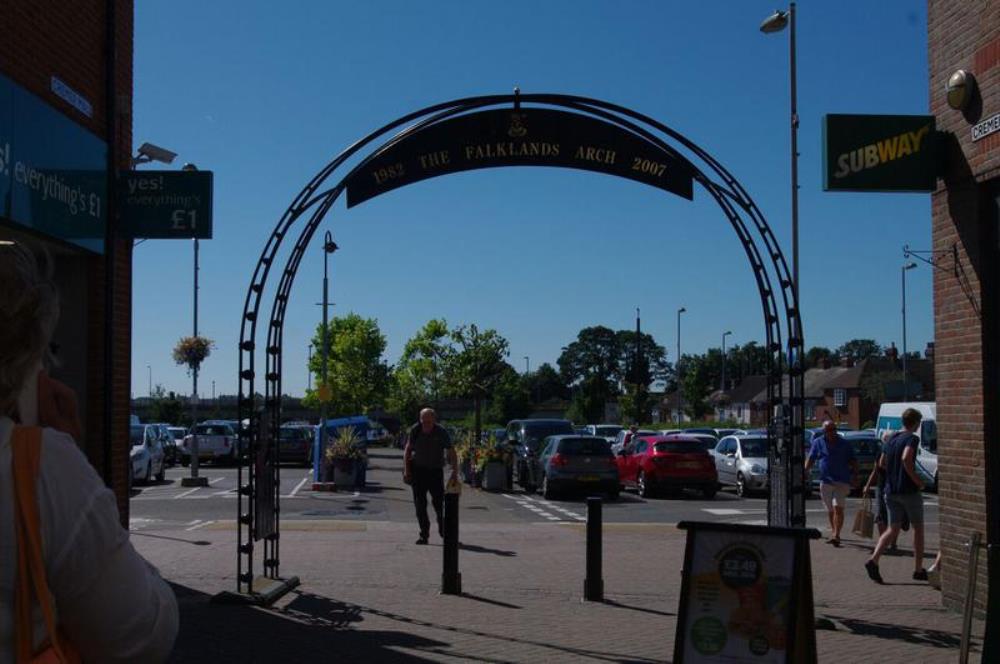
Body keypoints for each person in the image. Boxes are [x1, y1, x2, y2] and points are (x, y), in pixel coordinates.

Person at [0, 241, 178, 662]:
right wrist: (70, 456)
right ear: (26, 357)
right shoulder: (37, 466)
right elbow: (139, 635)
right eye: (47, 353)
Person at [865, 408, 929, 584]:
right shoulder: (912, 438)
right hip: (908, 491)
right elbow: (906, 458)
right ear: (916, 423)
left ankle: (874, 560)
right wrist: (917, 481)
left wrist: (894, 474)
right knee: (918, 529)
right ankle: (917, 569)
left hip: (890, 491)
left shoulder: (892, 438)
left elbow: (881, 463)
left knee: (892, 528)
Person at [403, 408, 457, 545]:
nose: (425, 424)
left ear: (434, 419)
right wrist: (406, 470)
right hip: (418, 471)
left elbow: (451, 451)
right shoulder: (415, 430)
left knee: (439, 504)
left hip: (435, 471)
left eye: (428, 421)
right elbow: (408, 450)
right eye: (423, 421)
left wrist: (455, 472)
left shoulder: (441, 432)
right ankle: (424, 535)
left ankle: (443, 530)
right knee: (420, 505)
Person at [804, 420, 857, 546]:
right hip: (826, 481)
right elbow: (811, 458)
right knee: (830, 510)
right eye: (829, 430)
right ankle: (834, 531)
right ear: (824, 431)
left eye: (834, 429)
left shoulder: (844, 444)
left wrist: (855, 476)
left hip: (842, 480)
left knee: (838, 508)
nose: (832, 432)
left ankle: (836, 535)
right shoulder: (818, 442)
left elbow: (853, 460)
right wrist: (805, 471)